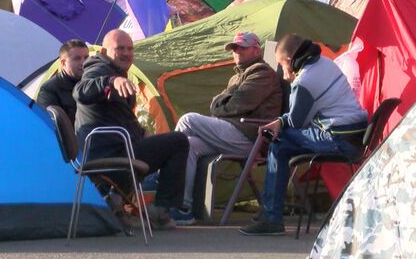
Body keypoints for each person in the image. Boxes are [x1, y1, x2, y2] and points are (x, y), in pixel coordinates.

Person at [239, 33, 368, 236]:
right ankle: (270, 212)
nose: (282, 71)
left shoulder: (305, 80)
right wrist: (281, 121)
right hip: (355, 136)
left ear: (289, 61)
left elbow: (298, 122)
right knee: (282, 139)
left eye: (281, 65)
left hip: (338, 140)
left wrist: (290, 86)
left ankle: (272, 218)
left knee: (278, 142)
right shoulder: (327, 63)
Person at [74, 29, 189, 230]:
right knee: (179, 142)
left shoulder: (116, 71)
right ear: (104, 50)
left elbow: (120, 118)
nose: (126, 53)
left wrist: (142, 132)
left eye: (130, 48)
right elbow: (81, 91)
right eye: (120, 48)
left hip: (114, 150)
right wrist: (111, 81)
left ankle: (116, 199)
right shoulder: (98, 69)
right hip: (106, 156)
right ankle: (160, 210)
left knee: (161, 143)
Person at [173, 32, 283, 225]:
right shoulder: (237, 77)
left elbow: (238, 104)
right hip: (234, 133)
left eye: (242, 47)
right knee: (189, 145)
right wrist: (223, 104)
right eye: (234, 48)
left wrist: (220, 105)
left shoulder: (262, 72)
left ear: (256, 49)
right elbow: (220, 104)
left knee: (188, 120)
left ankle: (160, 177)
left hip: (253, 138)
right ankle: (183, 207)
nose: (237, 51)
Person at [37, 39, 89, 125]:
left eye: (86, 57)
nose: (83, 62)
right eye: (77, 59)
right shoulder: (49, 90)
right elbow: (51, 126)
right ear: (63, 63)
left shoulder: (94, 82)